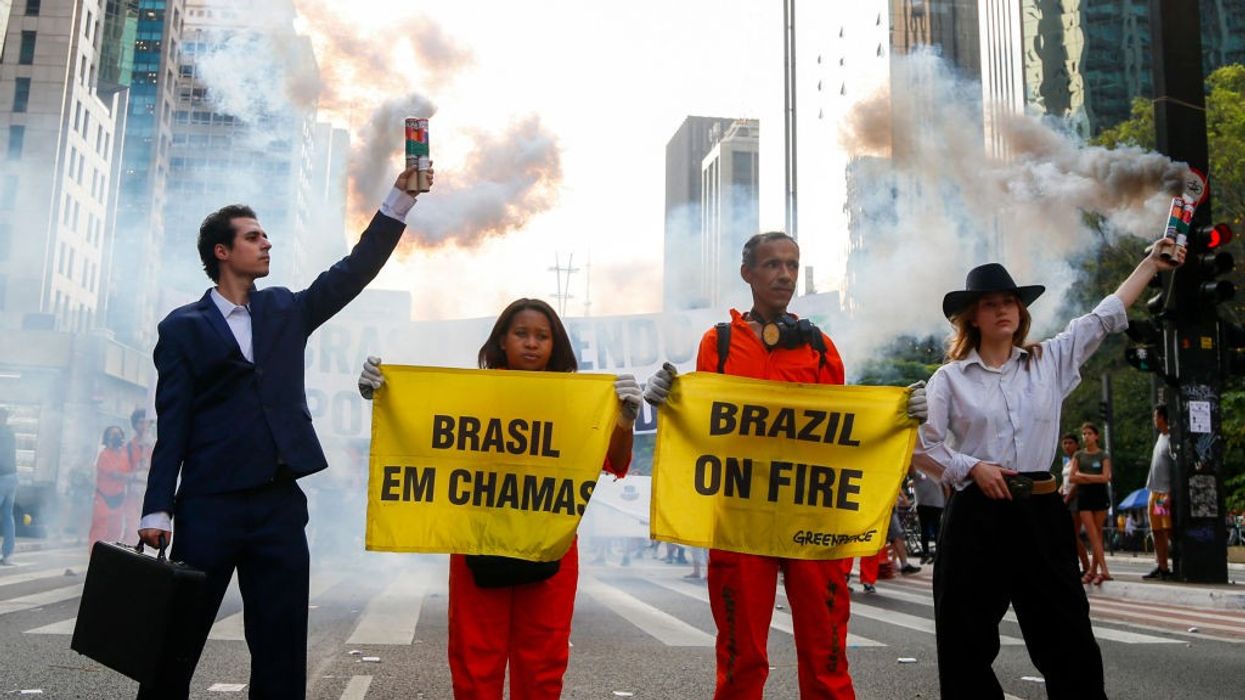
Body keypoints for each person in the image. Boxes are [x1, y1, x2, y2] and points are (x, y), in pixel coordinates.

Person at [135, 164, 433, 699]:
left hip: (277, 506)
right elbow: (171, 421)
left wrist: (400, 199)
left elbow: (352, 271)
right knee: (174, 640)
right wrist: (158, 508)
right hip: (209, 505)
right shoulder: (182, 327)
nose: (266, 243)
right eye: (253, 237)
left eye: (265, 235)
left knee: (280, 645)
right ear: (223, 253)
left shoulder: (284, 309)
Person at [643, 230, 927, 699]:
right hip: (740, 515)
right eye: (772, 264)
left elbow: (845, 430)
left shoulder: (820, 347)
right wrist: (668, 401)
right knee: (741, 655)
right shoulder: (720, 343)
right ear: (747, 274)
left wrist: (901, 419)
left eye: (792, 265)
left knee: (827, 653)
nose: (785, 275)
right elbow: (704, 419)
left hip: (811, 515)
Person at [914, 238, 1184, 699]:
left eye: (1009, 302)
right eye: (990, 304)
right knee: (964, 642)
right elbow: (921, 446)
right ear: (972, 318)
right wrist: (971, 466)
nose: (1002, 310)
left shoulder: (1048, 361)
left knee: (1069, 639)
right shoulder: (949, 379)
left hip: (1041, 513)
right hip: (977, 515)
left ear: (1021, 311)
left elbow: (1104, 316)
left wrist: (1149, 265)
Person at [357, 297, 640, 700]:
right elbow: (426, 437)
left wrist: (624, 419)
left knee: (543, 663)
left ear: (555, 345)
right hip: (478, 542)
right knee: (475, 660)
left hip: (550, 546)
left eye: (542, 336)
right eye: (521, 333)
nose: (532, 344)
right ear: (502, 341)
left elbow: (613, 461)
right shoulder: (475, 394)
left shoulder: (575, 399)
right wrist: (386, 396)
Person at [1071, 422, 1113, 584]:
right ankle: (1104, 570)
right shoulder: (1079, 456)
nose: (1086, 436)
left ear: (1096, 436)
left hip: (1099, 496)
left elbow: (1105, 477)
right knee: (1093, 534)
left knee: (1098, 532)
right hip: (1084, 496)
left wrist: (1084, 476)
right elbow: (1072, 477)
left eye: (1089, 433)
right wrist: (1091, 478)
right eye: (1084, 434)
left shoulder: (1103, 455)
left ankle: (1093, 571)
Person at [1143, 404, 1175, 580]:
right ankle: (1161, 565)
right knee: (1156, 530)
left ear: (1162, 418)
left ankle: (1175, 564)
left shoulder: (1171, 439)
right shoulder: (1161, 438)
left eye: (1156, 417)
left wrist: (1169, 492)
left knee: (1166, 530)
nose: (1154, 420)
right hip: (1154, 492)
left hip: (1164, 492)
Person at [88, 426, 132, 547]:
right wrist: (130, 476)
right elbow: (116, 474)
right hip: (103, 498)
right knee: (99, 531)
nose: (116, 437)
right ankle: (94, 557)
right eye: (113, 434)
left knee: (115, 531)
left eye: (118, 434)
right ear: (107, 438)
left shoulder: (124, 455)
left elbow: (130, 471)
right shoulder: (104, 455)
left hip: (119, 497)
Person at [1058, 432, 1091, 574]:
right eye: (1065, 443)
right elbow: (1065, 482)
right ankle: (1074, 564)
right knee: (1068, 535)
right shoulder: (1068, 461)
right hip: (1066, 497)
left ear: (1077, 444)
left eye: (1070, 442)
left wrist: (1067, 498)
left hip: (1076, 499)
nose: (1067, 445)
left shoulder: (1080, 458)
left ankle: (1085, 566)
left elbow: (1076, 483)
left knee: (1073, 535)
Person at [124, 409, 153, 536]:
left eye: (146, 423)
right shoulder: (129, 446)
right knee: (132, 524)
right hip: (134, 491)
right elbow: (125, 470)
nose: (144, 426)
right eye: (141, 423)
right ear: (135, 425)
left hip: (150, 491)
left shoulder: (156, 443)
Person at [910, 466, 945, 564]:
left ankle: (936, 554)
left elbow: (945, 486)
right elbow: (910, 469)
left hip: (936, 504)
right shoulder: (919, 471)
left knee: (935, 530)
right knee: (926, 530)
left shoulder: (937, 470)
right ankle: (926, 553)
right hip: (925, 504)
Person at [0, 408, 17, 566]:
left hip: (2, 478)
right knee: (7, 516)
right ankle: (7, 555)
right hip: (12, 478)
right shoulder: (10, 434)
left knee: (6, 516)